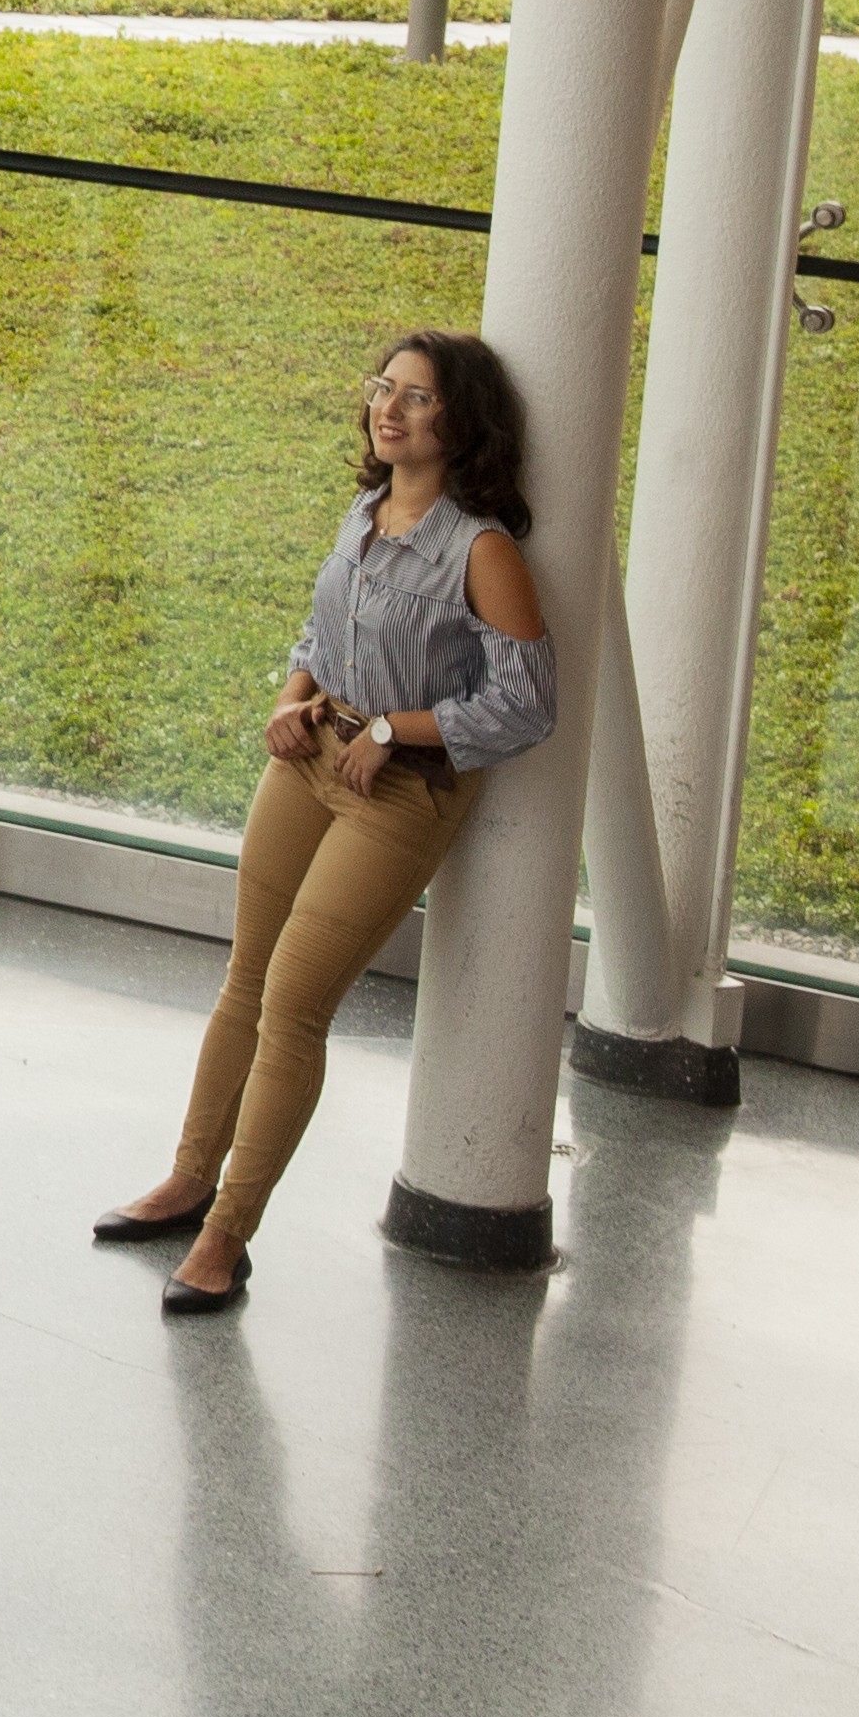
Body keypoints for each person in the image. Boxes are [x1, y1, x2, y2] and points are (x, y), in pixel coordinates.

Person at [99, 332, 552, 1319]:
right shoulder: (365, 512)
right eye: (383, 388)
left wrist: (395, 728)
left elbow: (525, 705)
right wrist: (292, 693)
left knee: (295, 1004)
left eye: (417, 397)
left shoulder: (481, 549)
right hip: (312, 756)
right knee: (244, 979)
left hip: (400, 789)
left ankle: (229, 1236)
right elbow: (323, 632)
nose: (388, 408)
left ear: (460, 420)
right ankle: (188, 1179)